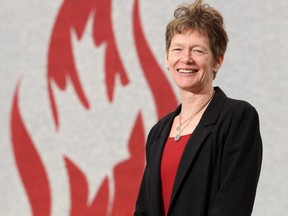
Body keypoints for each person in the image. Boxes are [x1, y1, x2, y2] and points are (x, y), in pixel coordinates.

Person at [134, 0, 262, 215]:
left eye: (198, 50)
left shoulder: (237, 118)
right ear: (167, 58)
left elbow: (233, 205)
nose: (186, 59)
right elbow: (144, 209)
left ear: (217, 61)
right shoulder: (158, 132)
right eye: (177, 49)